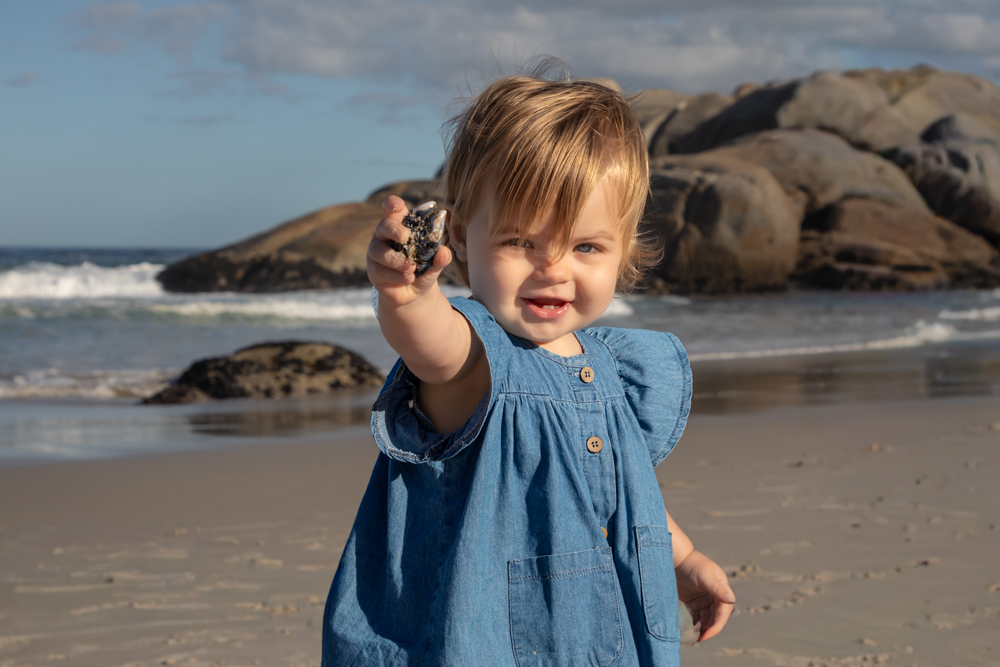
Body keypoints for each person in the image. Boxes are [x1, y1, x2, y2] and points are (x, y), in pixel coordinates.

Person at [322, 68, 735, 667]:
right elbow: (431, 346)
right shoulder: (476, 355)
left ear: (623, 249)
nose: (554, 268)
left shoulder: (612, 370)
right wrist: (407, 298)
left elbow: (616, 490)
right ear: (462, 237)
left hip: (599, 636)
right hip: (486, 640)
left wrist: (683, 559)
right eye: (521, 242)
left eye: (586, 246)